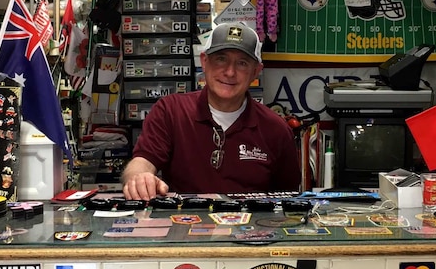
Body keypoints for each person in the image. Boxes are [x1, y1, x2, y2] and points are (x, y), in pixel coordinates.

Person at [121, 22, 301, 200]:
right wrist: (138, 178)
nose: (230, 72)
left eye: (242, 63)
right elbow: (142, 161)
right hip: (182, 224)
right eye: (221, 59)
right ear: (204, 61)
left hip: (250, 228)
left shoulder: (276, 130)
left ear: (256, 71)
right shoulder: (170, 111)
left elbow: (287, 198)